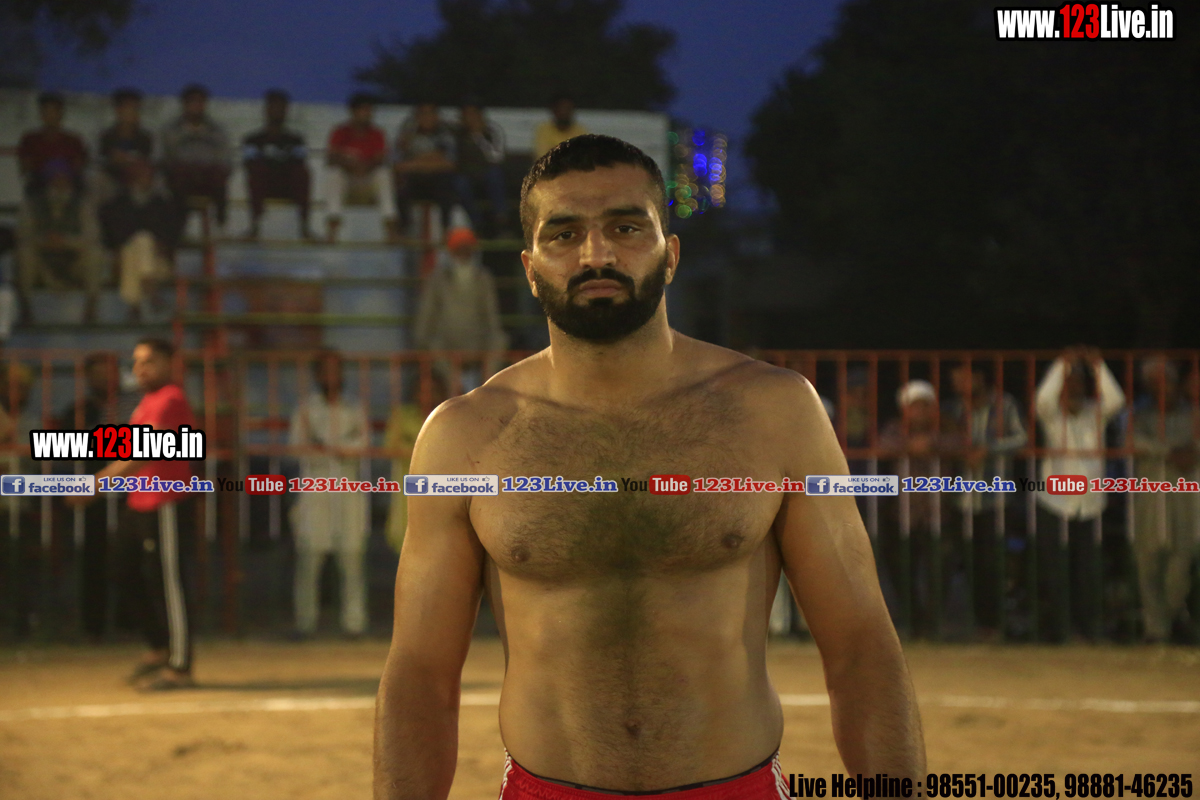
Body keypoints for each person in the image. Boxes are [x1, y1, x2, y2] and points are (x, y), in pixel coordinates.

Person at [374, 134, 925, 798]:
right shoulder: (464, 436)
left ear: (671, 255)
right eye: (564, 234)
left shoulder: (776, 411)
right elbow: (420, 676)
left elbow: (861, 647)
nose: (596, 254)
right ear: (530, 268)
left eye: (626, 227)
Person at [67, 338, 198, 689]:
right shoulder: (147, 402)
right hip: (140, 500)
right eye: (137, 362)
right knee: (120, 568)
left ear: (170, 363)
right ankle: (158, 646)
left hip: (165, 499)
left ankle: (180, 665)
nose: (140, 369)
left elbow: (141, 454)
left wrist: (93, 485)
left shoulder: (170, 399)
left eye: (149, 361)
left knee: (169, 584)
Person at [1034, 346, 1125, 641]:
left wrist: (1097, 365)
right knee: (1055, 570)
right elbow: (1042, 399)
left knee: (1089, 570)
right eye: (1068, 384)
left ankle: (1089, 629)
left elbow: (1117, 400)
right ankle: (1060, 630)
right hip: (1054, 502)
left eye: (1079, 384)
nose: (1074, 389)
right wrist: (1062, 365)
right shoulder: (1052, 416)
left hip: (1090, 503)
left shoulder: (1095, 414)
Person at [288, 350, 370, 637]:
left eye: (336, 370)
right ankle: (305, 623)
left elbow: (363, 445)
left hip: (348, 488)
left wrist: (327, 448)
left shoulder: (354, 408)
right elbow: (296, 447)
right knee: (309, 559)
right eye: (325, 370)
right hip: (314, 488)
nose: (331, 376)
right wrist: (339, 449)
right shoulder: (306, 409)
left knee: (352, 559)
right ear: (317, 374)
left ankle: (354, 624)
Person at [943, 363, 1027, 637]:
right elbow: (944, 441)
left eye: (964, 378)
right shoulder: (953, 410)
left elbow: (1022, 438)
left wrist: (988, 450)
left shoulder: (1004, 405)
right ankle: (980, 623)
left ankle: (995, 623)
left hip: (995, 498)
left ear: (979, 378)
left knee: (993, 563)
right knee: (970, 563)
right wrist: (960, 450)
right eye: (956, 380)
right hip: (961, 498)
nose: (959, 385)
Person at [1131, 357, 1199, 643]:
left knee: (1180, 565)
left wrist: (1191, 452)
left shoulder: (1192, 415)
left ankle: (1170, 616)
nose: (1161, 388)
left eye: (1165, 381)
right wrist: (1169, 451)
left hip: (1185, 499)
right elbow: (1132, 441)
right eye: (1153, 383)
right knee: (1148, 563)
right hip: (1151, 498)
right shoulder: (1141, 416)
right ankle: (1155, 630)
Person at [56, 353, 120, 642]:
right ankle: (94, 627)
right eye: (97, 374)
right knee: (92, 560)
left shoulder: (135, 407)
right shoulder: (77, 413)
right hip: (91, 497)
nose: (104, 379)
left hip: (130, 496)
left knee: (132, 561)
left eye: (108, 372)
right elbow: (63, 455)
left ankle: (128, 624)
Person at [880, 380, 948, 637]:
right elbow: (882, 446)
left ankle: (932, 625)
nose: (920, 412)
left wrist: (933, 443)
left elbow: (961, 444)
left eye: (925, 405)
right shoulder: (894, 428)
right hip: (903, 514)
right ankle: (914, 622)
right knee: (900, 570)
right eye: (914, 406)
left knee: (938, 573)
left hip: (938, 513)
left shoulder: (946, 427)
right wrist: (910, 446)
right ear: (904, 409)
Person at [412, 227, 509, 392]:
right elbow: (426, 314)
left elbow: (492, 317)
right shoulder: (437, 279)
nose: (463, 253)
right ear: (451, 252)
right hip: (446, 344)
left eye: (467, 248)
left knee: (500, 341)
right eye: (459, 249)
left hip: (477, 342)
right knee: (432, 344)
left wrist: (492, 337)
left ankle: (486, 389)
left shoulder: (483, 278)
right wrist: (421, 340)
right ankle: (455, 388)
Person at [16, 163, 105, 323]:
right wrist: (45, 241)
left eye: (64, 179)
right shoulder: (32, 204)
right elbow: (23, 234)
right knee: (24, 252)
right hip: (43, 259)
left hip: (74, 260)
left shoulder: (82, 204)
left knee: (95, 253)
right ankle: (25, 306)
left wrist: (65, 241)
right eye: (56, 179)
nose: (60, 183)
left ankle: (91, 305)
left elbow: (92, 235)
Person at [98, 158, 180, 319]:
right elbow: (114, 236)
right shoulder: (118, 204)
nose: (145, 179)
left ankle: (134, 305)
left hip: (158, 263)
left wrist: (159, 245)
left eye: (148, 175)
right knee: (137, 244)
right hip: (128, 260)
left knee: (142, 242)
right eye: (141, 175)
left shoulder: (163, 204)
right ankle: (151, 292)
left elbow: (170, 236)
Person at [0, 362, 40, 639]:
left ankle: (18, 624)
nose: (17, 392)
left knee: (18, 566)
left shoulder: (32, 422)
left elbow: (30, 461)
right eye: (11, 386)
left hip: (18, 505)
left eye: (23, 387)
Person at [160, 84, 232, 235]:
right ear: (184, 104)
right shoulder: (172, 129)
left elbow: (225, 157)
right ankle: (178, 227)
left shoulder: (216, 129)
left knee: (219, 175)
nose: (196, 106)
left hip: (208, 176)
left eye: (200, 102)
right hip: (182, 177)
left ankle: (221, 223)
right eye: (192, 101)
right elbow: (166, 157)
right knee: (178, 176)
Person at [325, 93, 397, 243]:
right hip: (348, 183)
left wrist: (363, 165)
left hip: (368, 184)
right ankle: (332, 229)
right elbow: (331, 158)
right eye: (363, 110)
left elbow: (381, 159)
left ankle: (390, 230)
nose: (367, 114)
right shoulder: (341, 132)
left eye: (369, 110)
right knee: (334, 174)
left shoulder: (377, 133)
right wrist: (350, 164)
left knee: (383, 174)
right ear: (353, 111)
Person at [241, 89, 312, 241]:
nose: (278, 111)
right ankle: (254, 227)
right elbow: (249, 163)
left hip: (288, 184)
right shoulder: (252, 139)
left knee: (302, 173)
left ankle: (305, 227)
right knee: (257, 172)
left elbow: (299, 161)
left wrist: (275, 165)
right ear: (266, 110)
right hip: (264, 184)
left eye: (281, 107)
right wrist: (276, 165)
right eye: (274, 107)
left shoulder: (296, 140)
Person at [394, 102, 459, 235]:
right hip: (414, 180)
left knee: (446, 181)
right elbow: (399, 165)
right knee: (401, 185)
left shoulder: (445, 135)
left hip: (437, 179)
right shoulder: (407, 137)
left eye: (431, 114)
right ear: (417, 117)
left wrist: (416, 161)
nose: (427, 118)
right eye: (423, 114)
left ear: (436, 117)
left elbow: (449, 164)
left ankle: (446, 228)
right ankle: (405, 228)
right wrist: (431, 158)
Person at [454, 101, 511, 235]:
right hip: (465, 173)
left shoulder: (492, 131)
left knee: (495, 176)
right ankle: (476, 223)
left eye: (473, 114)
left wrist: (479, 136)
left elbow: (497, 157)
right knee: (460, 183)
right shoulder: (457, 133)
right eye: (466, 115)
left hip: (487, 171)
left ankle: (502, 221)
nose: (470, 118)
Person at [17, 91, 88, 194]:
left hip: (69, 185)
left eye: (53, 111)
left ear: (61, 114)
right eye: (46, 111)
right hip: (40, 185)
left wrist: (63, 176)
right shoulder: (30, 140)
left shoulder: (74, 141)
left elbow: (79, 167)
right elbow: (25, 167)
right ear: (41, 114)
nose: (50, 116)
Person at [98, 88, 154, 191]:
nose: (132, 112)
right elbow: (101, 160)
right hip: (111, 176)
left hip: (137, 176)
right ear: (118, 110)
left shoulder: (145, 138)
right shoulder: (107, 136)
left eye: (136, 108)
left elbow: (149, 159)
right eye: (128, 108)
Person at [532, 94, 588, 160]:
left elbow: (583, 157)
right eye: (561, 109)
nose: (564, 112)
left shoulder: (580, 131)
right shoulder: (544, 130)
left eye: (567, 109)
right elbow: (543, 157)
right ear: (554, 110)